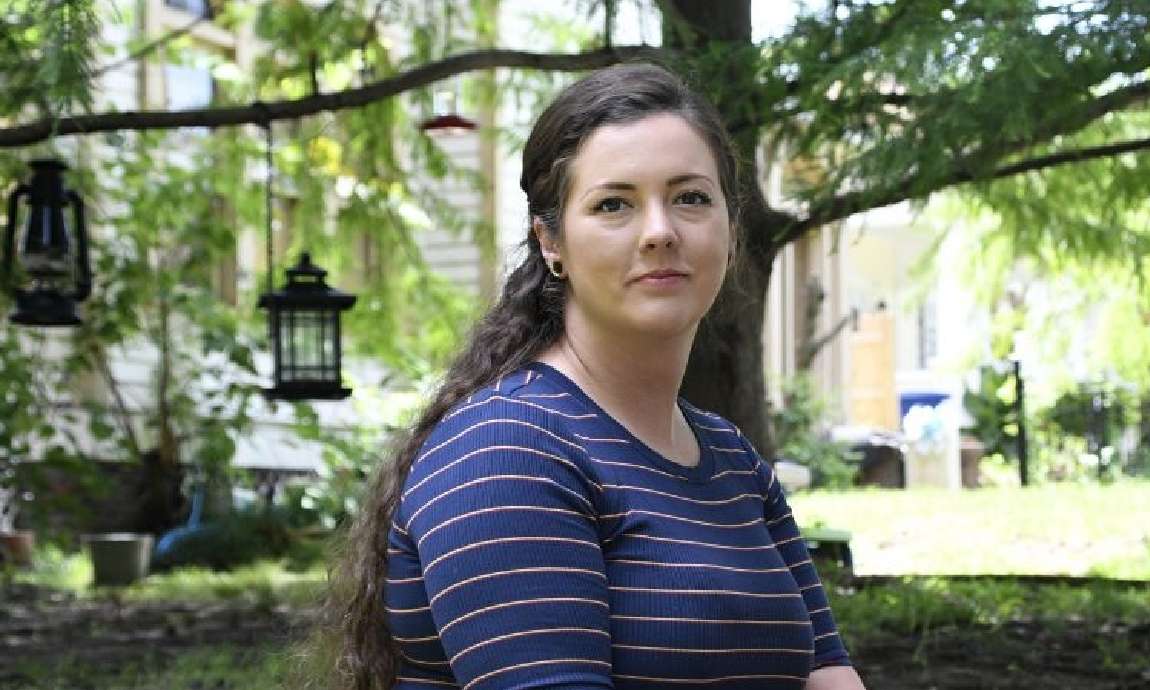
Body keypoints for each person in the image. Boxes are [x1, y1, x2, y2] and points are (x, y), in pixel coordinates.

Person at [315, 62, 865, 690]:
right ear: (552, 243)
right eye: (614, 204)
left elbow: (830, 676)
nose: (659, 232)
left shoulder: (732, 461)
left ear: (730, 228)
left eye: (690, 197)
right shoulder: (506, 450)